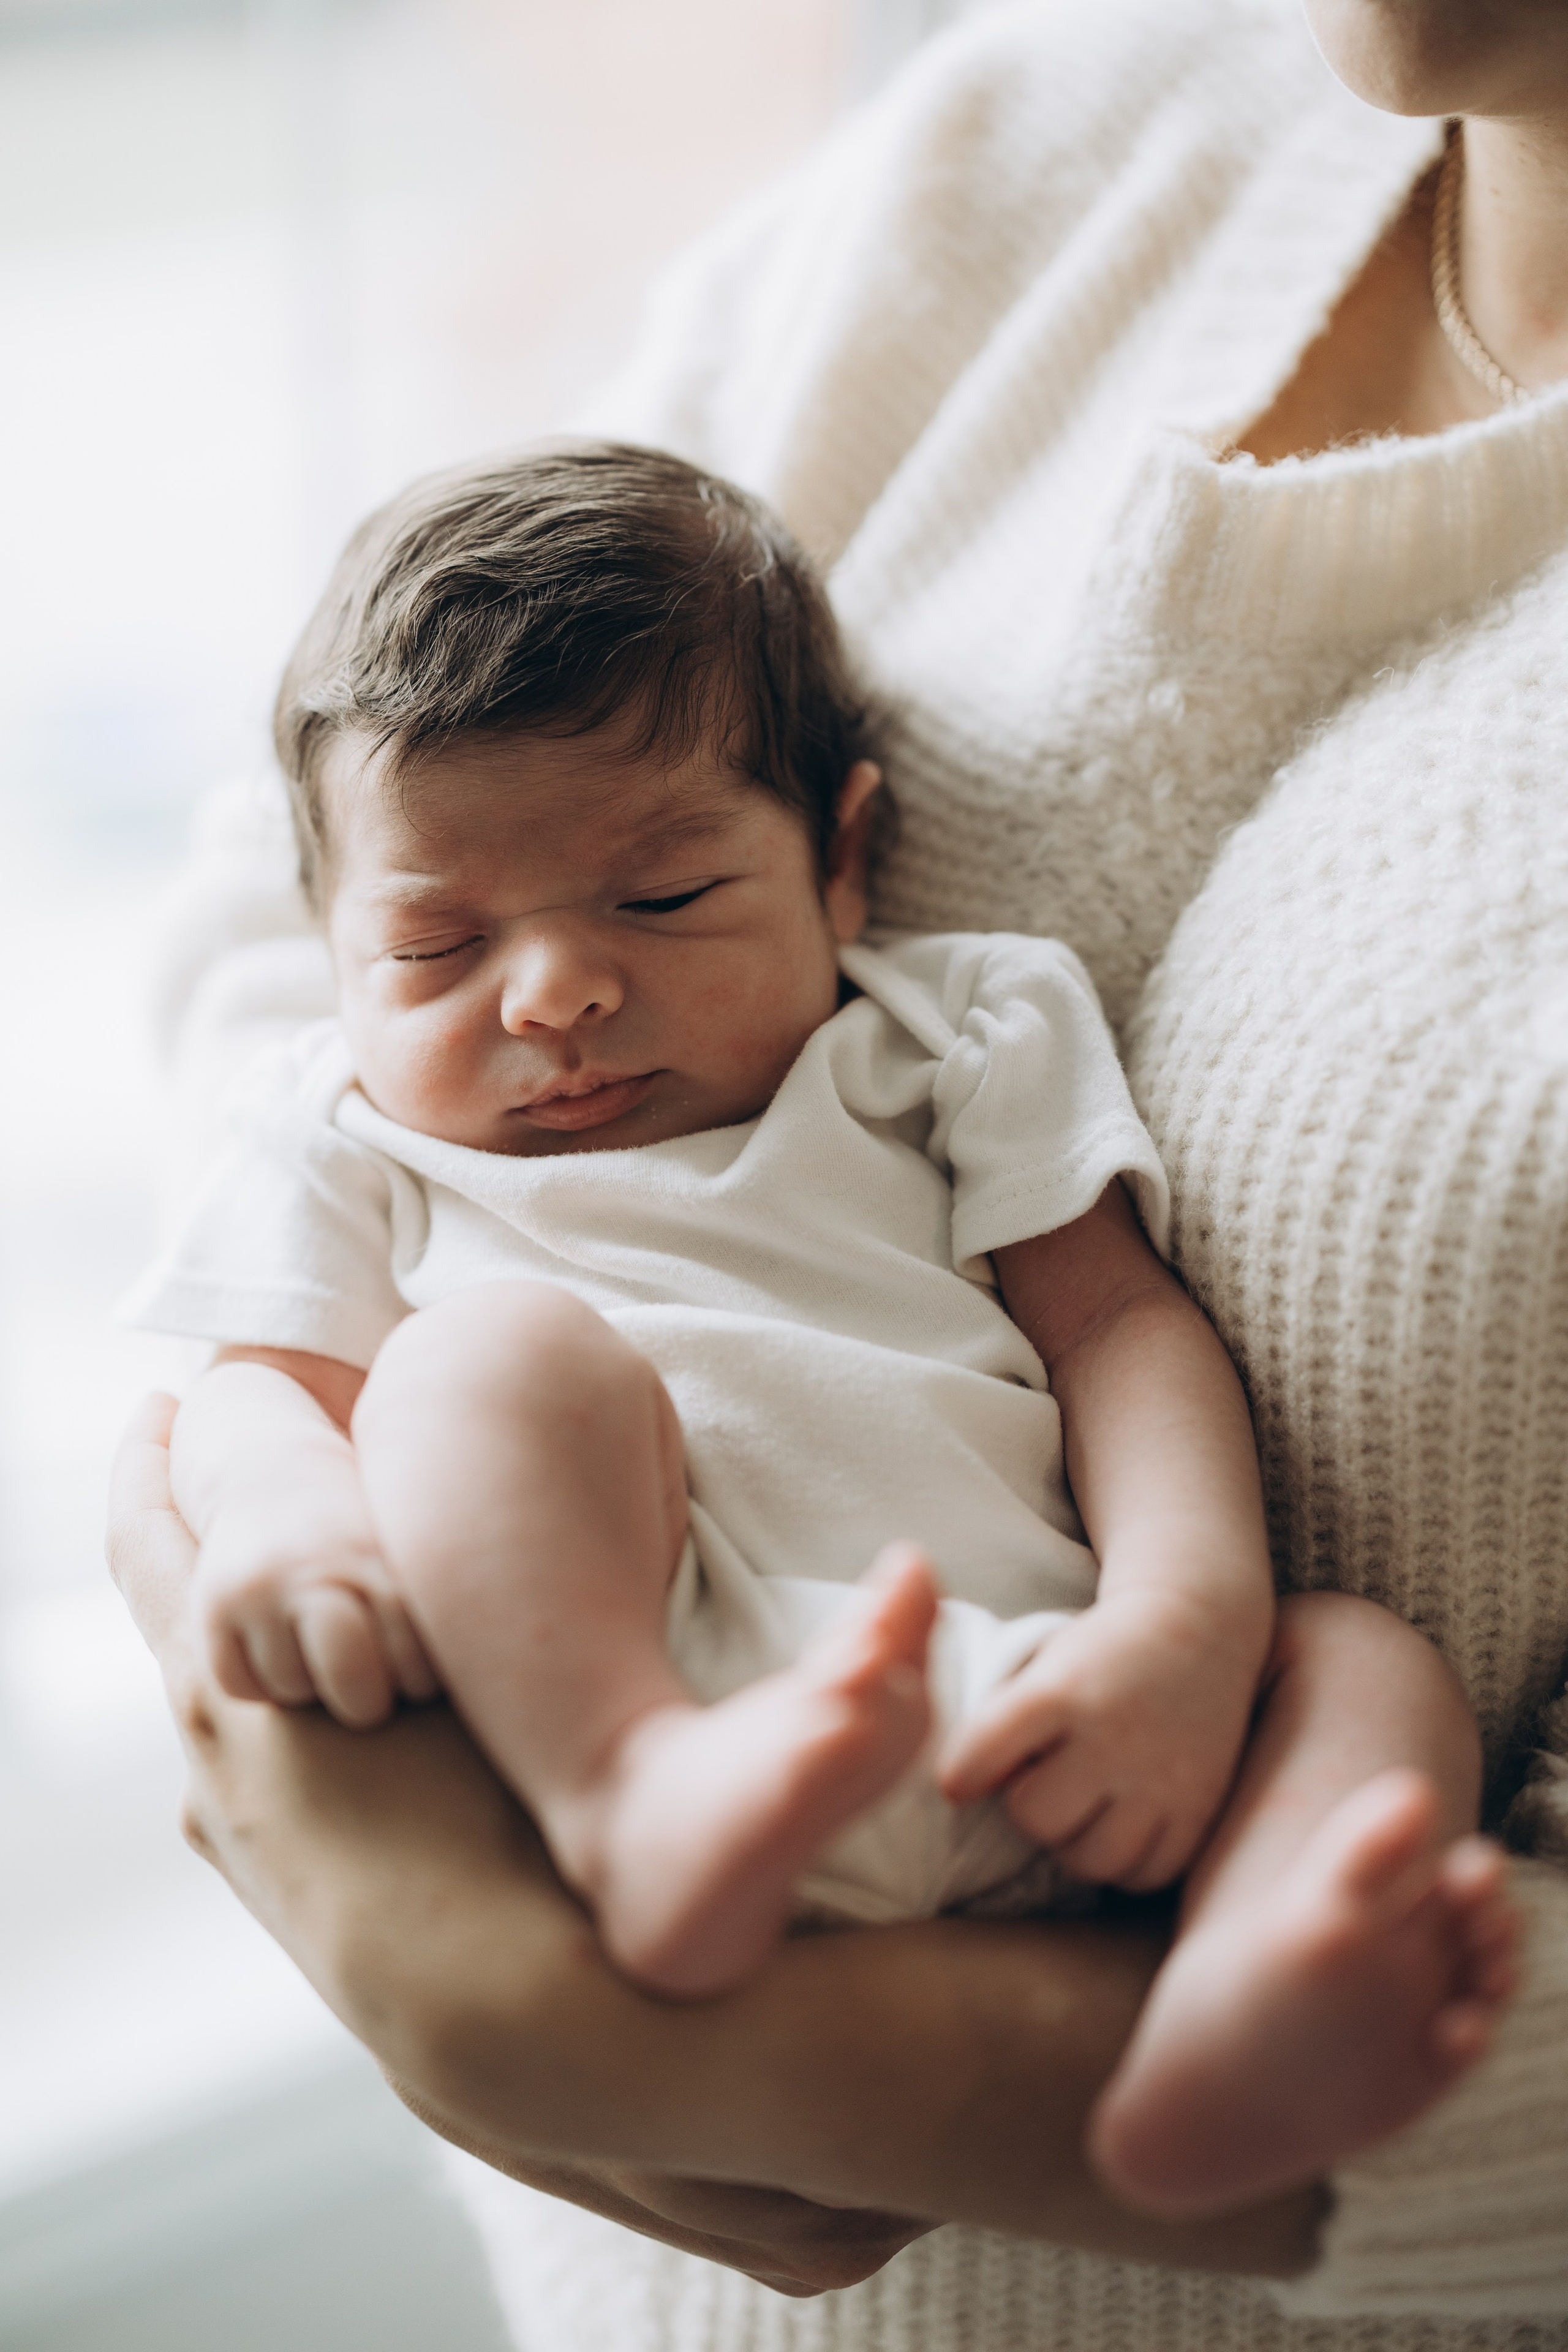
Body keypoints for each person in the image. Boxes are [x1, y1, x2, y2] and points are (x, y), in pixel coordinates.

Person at [108, 0, 1568, 2343]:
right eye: (437, 948)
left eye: (665, 899)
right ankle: (642, 1795)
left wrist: (1185, 1631)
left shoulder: (942, 1036)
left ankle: (1259, 1990)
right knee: (483, 1368)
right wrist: (279, 1551)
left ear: (849, 857)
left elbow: (1117, 1328)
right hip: (665, 1694)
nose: (553, 996)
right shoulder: (341, 1120)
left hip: (1050, 1728)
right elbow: (250, 1391)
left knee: (1356, 1668)